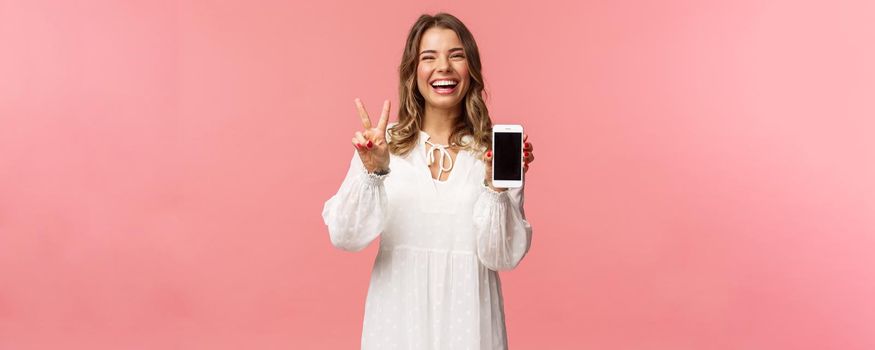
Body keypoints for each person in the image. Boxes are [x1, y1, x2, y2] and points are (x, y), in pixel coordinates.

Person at [322, 12, 535, 350]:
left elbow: (502, 257)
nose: (444, 67)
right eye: (429, 57)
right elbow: (345, 235)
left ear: (472, 69)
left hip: (470, 324)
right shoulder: (382, 145)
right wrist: (373, 172)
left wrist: (495, 188)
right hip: (398, 323)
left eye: (456, 55)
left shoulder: (491, 153)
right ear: (413, 72)